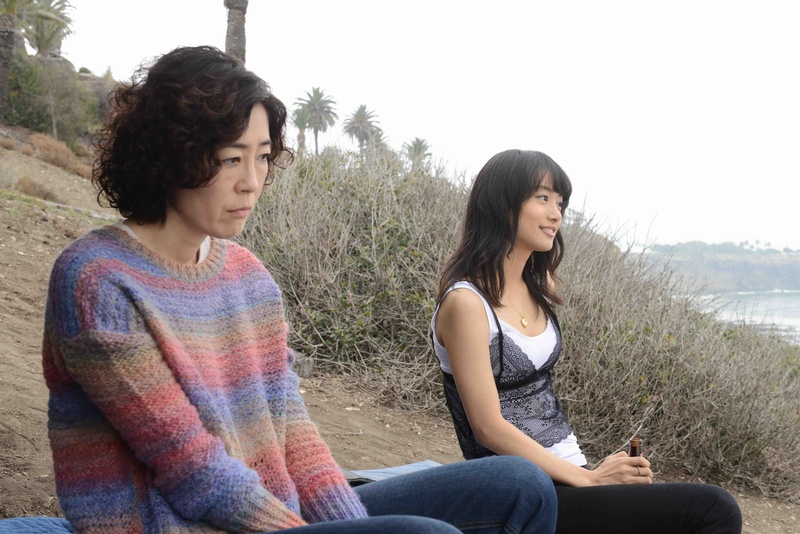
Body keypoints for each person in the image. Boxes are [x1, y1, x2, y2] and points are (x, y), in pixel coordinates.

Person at [25, 47, 558, 533]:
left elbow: (293, 434)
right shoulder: (99, 281)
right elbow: (192, 471)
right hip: (176, 524)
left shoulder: (248, 276)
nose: (252, 181)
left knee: (520, 483)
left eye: (262, 157)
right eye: (231, 158)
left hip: (279, 514)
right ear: (169, 154)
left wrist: (348, 525)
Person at [430, 149, 743, 534]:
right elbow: (487, 427)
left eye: (560, 203)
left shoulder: (537, 286)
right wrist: (592, 480)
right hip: (520, 490)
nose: (555, 214)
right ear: (503, 204)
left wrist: (595, 474)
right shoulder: (466, 303)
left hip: (569, 473)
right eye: (543, 198)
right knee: (714, 510)